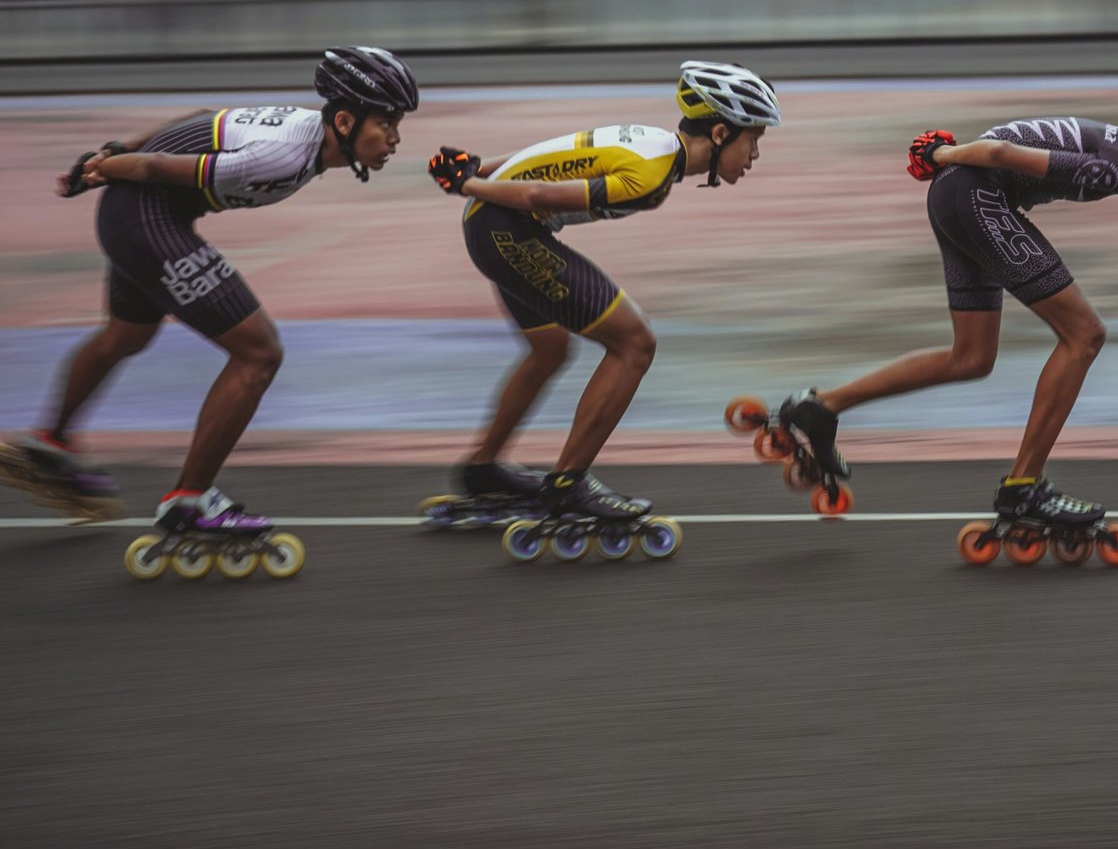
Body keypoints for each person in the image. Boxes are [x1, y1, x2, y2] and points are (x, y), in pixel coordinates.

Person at [769, 69, 1118, 528]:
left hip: (961, 195)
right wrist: (942, 155)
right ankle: (1024, 486)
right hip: (975, 191)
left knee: (971, 358)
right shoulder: (1116, 166)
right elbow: (1000, 153)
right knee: (1084, 335)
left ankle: (821, 407)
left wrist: (947, 163)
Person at [1, 46, 418, 539]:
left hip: (141, 215)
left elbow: (202, 116)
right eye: (387, 123)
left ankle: (51, 440)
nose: (395, 138)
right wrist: (103, 166)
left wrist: (113, 152)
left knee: (126, 336)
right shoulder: (284, 155)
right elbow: (156, 169)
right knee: (258, 353)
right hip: (144, 215)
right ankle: (189, 502)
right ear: (345, 122)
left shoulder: (306, 129)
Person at [423, 60, 780, 526]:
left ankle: (483, 471)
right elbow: (539, 198)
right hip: (506, 228)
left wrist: (476, 170)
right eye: (752, 141)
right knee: (634, 343)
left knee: (549, 350)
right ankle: (567, 485)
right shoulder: (651, 177)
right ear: (718, 134)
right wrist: (467, 181)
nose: (753, 155)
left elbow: (550, 154)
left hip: (493, 224)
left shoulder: (650, 142)